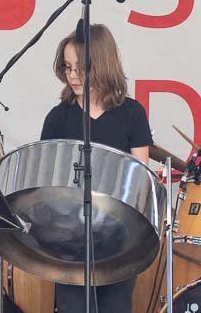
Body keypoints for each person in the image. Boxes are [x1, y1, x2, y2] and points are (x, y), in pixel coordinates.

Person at [41, 23, 152, 313]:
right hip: (70, 240)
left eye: (81, 68)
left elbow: (140, 178)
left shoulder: (132, 114)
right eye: (67, 67)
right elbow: (46, 182)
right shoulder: (58, 118)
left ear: (102, 64)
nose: (72, 76)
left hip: (119, 239)